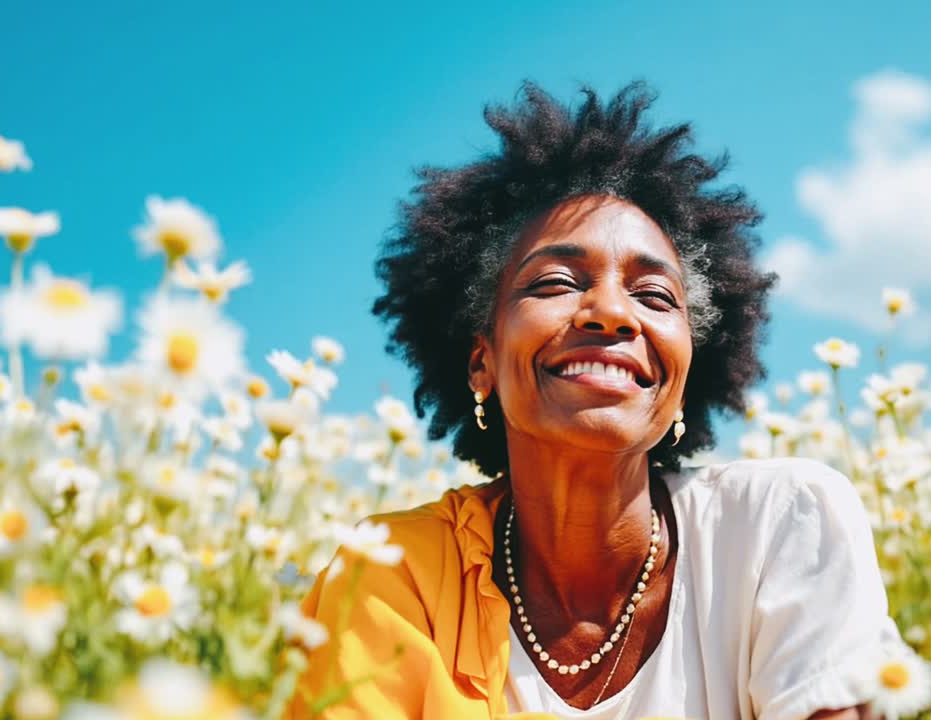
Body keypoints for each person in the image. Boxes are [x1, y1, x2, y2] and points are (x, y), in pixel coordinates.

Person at [286, 81, 900, 720]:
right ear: (481, 362)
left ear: (687, 370)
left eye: (656, 296)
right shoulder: (393, 575)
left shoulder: (782, 522)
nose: (611, 313)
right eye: (555, 282)